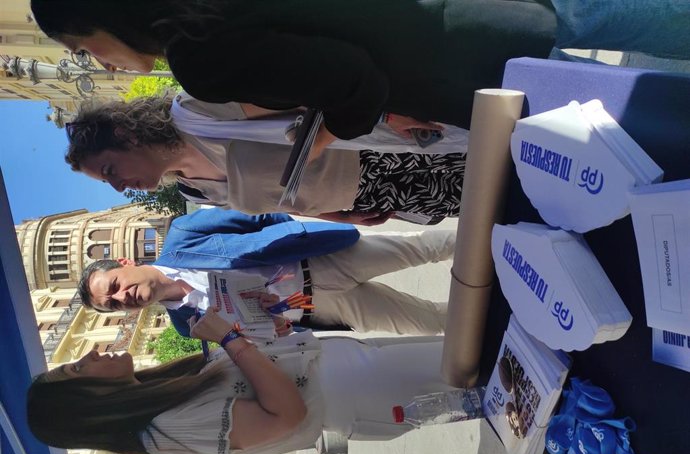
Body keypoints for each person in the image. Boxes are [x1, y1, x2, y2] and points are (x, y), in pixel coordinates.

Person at [31, 0, 690, 144]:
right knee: (623, 19)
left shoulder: (199, 57)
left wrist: (328, 131)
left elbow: (351, 78)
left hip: (462, 65)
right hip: (465, 15)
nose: (97, 62)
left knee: (640, 115)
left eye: (84, 48)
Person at [28, 307, 464, 454]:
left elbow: (257, 377)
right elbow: (286, 416)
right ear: (84, 402)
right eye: (74, 370)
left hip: (352, 368)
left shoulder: (162, 393)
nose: (87, 358)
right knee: (479, 368)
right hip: (357, 391)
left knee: (467, 355)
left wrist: (265, 336)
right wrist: (231, 341)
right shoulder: (165, 433)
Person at [65, 94, 466, 225]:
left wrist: (384, 113)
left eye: (111, 170)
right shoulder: (193, 189)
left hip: (383, 153)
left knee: (503, 162)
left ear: (125, 134)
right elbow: (282, 200)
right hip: (374, 196)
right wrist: (342, 216)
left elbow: (304, 92)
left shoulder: (197, 110)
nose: (120, 187)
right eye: (109, 185)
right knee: (491, 204)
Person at [79, 208, 454, 335]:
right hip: (318, 308)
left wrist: (295, 234)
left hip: (321, 258)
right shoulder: (187, 326)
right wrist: (277, 331)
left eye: (114, 286)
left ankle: (497, 241)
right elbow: (252, 340)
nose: (121, 298)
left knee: (425, 248)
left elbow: (257, 217)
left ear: (125, 265)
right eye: (113, 305)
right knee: (425, 322)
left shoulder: (183, 234)